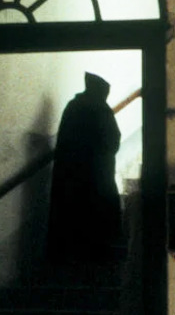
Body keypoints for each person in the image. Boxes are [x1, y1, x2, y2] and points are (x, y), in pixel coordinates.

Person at [47, 72, 122, 262]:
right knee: (99, 217)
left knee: (73, 216)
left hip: (71, 178)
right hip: (97, 176)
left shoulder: (74, 107)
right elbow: (112, 141)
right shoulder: (100, 109)